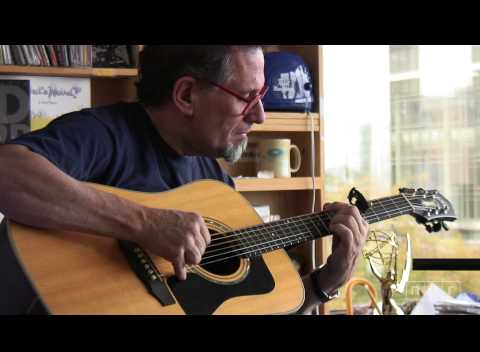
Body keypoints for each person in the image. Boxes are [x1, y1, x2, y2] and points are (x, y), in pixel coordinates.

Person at [0, 45, 368, 315]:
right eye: (247, 96)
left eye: (262, 95)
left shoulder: (217, 188)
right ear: (187, 95)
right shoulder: (105, 135)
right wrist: (145, 223)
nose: (259, 115)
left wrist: (323, 284)